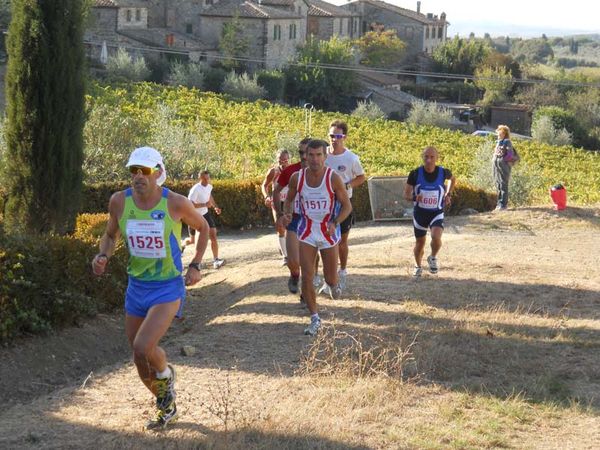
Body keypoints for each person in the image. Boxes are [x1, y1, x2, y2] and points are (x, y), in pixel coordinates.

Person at [91, 146, 209, 429]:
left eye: (144, 171)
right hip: (136, 286)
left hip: (167, 287)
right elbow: (109, 235)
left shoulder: (175, 203)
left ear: (158, 173)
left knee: (144, 346)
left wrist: (195, 265)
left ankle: (166, 378)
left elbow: (203, 228)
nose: (138, 176)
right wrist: (103, 255)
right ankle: (166, 403)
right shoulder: (119, 202)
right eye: (133, 170)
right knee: (138, 355)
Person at [283, 139, 352, 335]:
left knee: (330, 279)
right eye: (310, 155)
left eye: (318, 155)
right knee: (307, 276)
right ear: (306, 156)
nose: (314, 159)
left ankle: (333, 284)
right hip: (307, 232)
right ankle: (315, 318)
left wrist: (335, 222)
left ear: (325, 156)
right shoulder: (297, 178)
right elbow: (288, 200)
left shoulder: (333, 178)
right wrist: (286, 213)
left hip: (327, 232)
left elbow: (347, 206)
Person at [325, 119, 365, 290]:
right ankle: (328, 276)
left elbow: (361, 177)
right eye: (332, 135)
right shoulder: (322, 154)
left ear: (345, 137)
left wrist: (347, 186)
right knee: (326, 242)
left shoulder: (351, 158)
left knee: (341, 241)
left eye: (338, 136)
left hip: (343, 203)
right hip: (324, 203)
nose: (334, 139)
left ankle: (342, 271)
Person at [403, 146, 455, 277]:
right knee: (420, 243)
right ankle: (418, 266)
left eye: (432, 157)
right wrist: (415, 197)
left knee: (436, 236)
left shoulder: (443, 172)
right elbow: (406, 195)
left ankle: (432, 257)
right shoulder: (414, 173)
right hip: (420, 213)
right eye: (426, 157)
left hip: (436, 212)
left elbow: (452, 179)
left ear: (437, 158)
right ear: (423, 157)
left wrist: (448, 194)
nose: (429, 160)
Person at [273, 139, 309, 294]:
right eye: (301, 152)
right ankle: (294, 276)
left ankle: (307, 292)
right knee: (293, 261)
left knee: (309, 261)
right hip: (294, 218)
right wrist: (280, 213)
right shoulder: (291, 171)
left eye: (307, 152)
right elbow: (275, 191)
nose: (304, 156)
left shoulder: (324, 171)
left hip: (313, 220)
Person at [186, 170, 225, 269]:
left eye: (208, 178)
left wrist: (215, 206)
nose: (207, 180)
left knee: (213, 235)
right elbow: (189, 205)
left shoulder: (209, 186)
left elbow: (210, 197)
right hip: (194, 216)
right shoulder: (195, 189)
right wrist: (204, 204)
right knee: (193, 241)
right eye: (205, 178)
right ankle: (195, 261)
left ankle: (216, 260)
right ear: (200, 178)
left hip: (205, 214)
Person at [261, 149, 291, 265]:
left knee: (290, 229)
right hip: (277, 202)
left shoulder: (293, 171)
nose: (282, 163)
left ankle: (284, 247)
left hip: (289, 203)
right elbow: (264, 185)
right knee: (280, 227)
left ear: (289, 159)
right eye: (280, 160)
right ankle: (285, 256)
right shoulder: (273, 172)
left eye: (285, 160)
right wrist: (266, 197)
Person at [492, 124, 514, 211]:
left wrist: (503, 160)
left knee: (503, 184)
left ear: (504, 133)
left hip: (503, 166)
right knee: (498, 184)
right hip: (496, 165)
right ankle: (499, 203)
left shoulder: (507, 142)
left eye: (500, 133)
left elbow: (510, 154)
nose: (498, 135)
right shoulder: (498, 142)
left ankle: (503, 204)